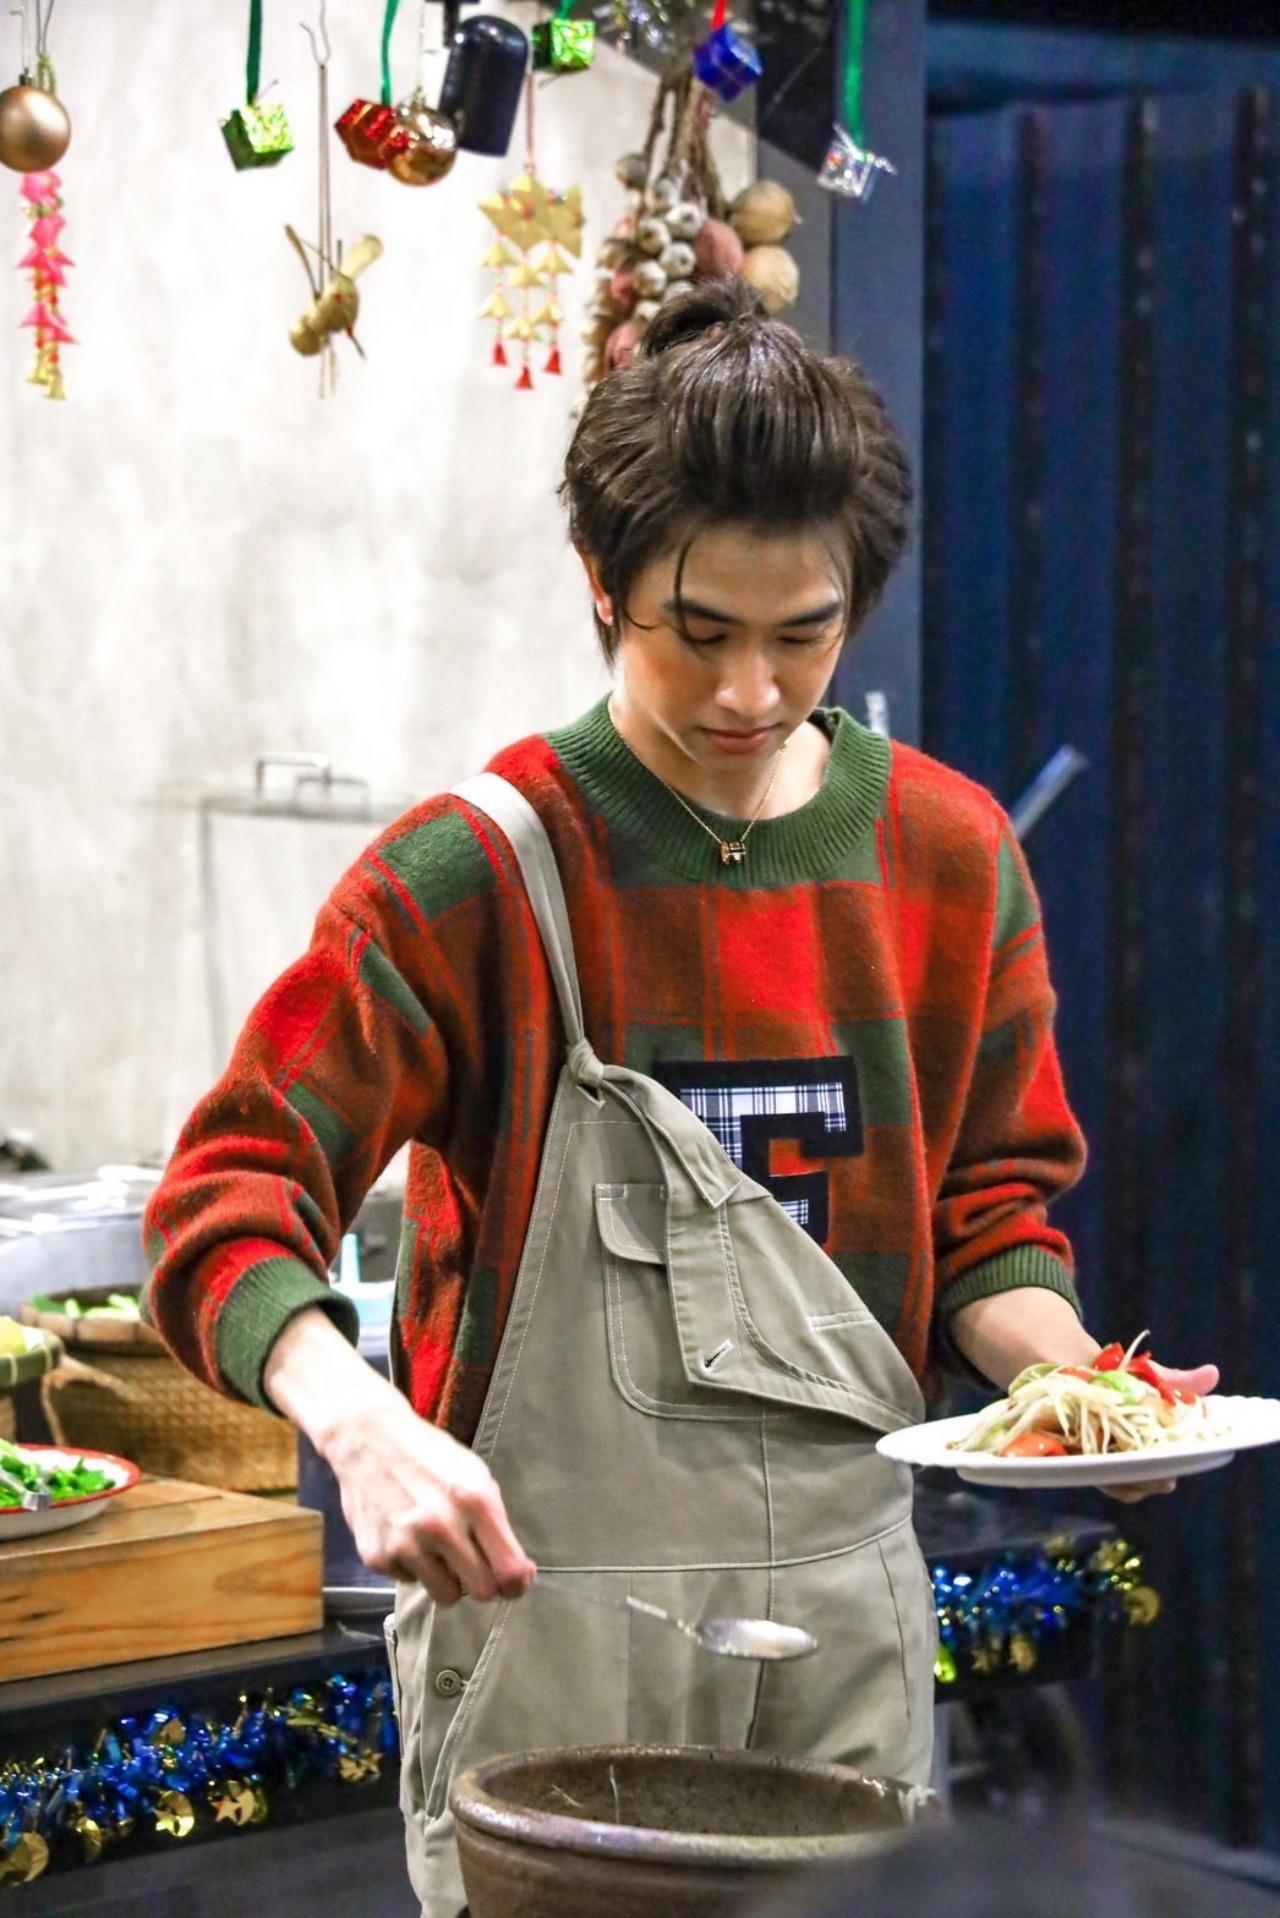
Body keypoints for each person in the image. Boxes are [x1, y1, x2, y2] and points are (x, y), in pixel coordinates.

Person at [142, 278, 1214, 1918]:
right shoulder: (483, 873)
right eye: (697, 633)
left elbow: (990, 1222)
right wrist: (365, 1427)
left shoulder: (946, 858)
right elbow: (223, 1197)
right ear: (602, 579)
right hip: (547, 1636)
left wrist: (1073, 1390)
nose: (749, 693)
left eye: (804, 636)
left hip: (844, 1634)